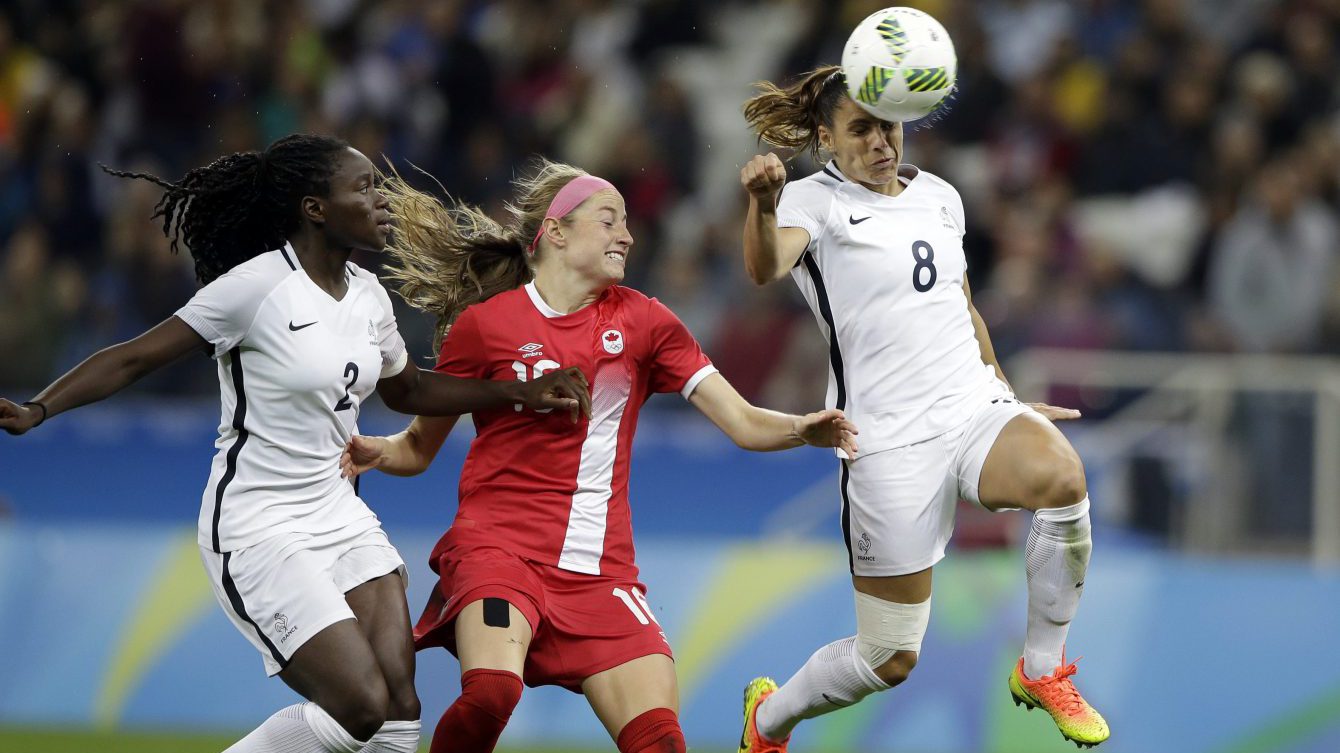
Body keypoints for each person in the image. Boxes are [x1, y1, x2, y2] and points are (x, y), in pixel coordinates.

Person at [0, 134, 590, 753]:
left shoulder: (367, 296)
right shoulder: (255, 288)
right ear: (315, 208)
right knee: (360, 704)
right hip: (258, 525)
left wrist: (516, 392)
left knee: (399, 705)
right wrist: (41, 408)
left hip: (339, 513)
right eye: (361, 189)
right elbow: (134, 358)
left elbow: (409, 391)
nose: (379, 202)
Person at [338, 159, 859, 753]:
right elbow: (417, 447)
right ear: (554, 232)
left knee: (661, 743)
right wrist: (376, 450)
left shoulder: (645, 322)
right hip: (499, 552)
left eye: (629, 224)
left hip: (600, 573)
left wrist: (803, 428)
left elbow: (740, 421)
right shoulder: (485, 328)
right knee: (490, 695)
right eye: (609, 220)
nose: (628, 235)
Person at [733, 66, 1108, 750]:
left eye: (890, 126)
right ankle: (768, 720)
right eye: (861, 130)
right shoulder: (811, 202)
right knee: (889, 658)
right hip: (885, 440)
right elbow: (762, 268)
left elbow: (960, 307)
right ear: (826, 138)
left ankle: (1042, 667)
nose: (881, 142)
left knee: (1063, 478)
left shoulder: (939, 195)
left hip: (969, 406)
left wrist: (1004, 394)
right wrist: (761, 204)